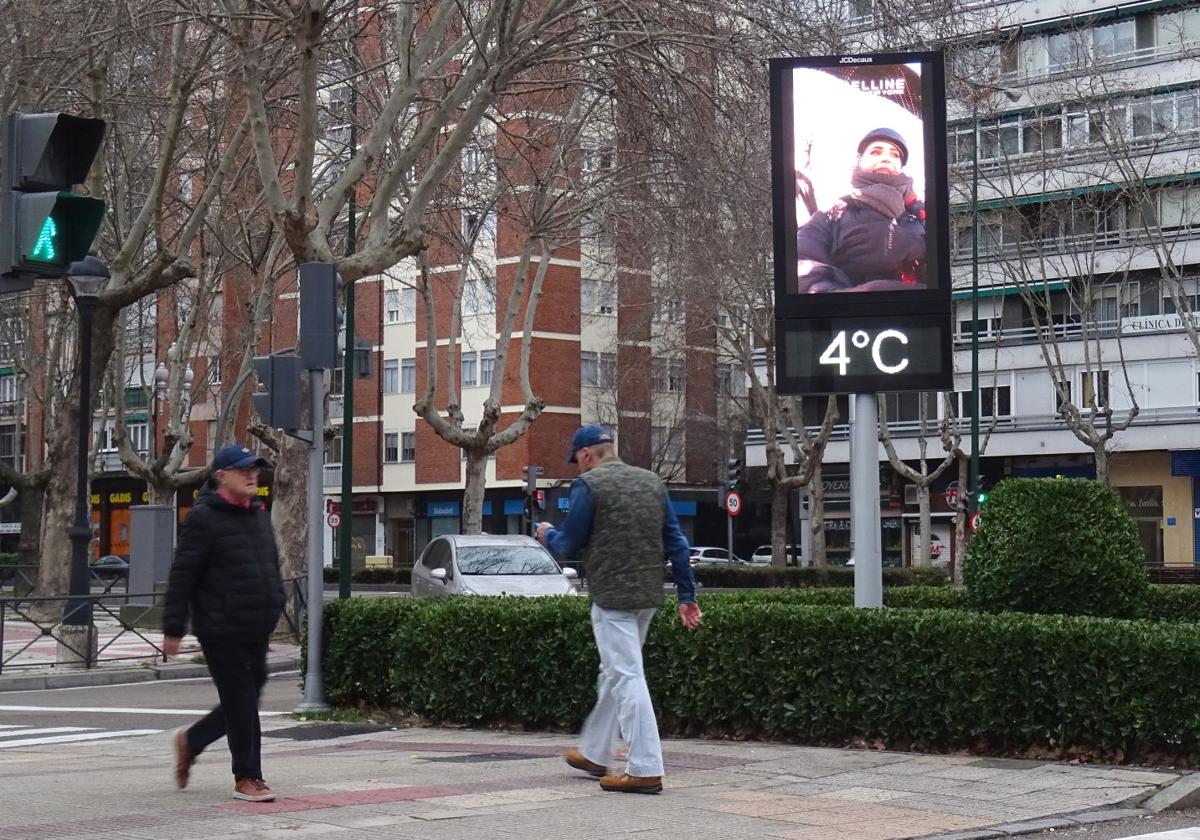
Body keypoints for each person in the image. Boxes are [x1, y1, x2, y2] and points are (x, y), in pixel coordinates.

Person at [536, 424, 702, 795]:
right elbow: (676, 541)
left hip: (611, 599)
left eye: (577, 462)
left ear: (587, 455)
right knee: (614, 671)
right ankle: (595, 753)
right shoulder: (651, 482)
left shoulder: (589, 485)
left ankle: (645, 768)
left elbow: (568, 544)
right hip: (647, 597)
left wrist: (546, 532)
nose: (578, 469)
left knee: (627, 676)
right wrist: (687, 596)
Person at [163, 443, 285, 803]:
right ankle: (248, 777)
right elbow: (182, 575)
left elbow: (270, 566)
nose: (252, 475)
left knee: (245, 699)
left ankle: (191, 740)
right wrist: (173, 628)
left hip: (256, 625)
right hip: (221, 626)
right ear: (221, 477)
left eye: (255, 469)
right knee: (242, 700)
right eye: (244, 469)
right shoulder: (203, 518)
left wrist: (276, 602)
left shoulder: (259, 512)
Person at [793, 127, 927, 293]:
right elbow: (802, 271)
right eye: (876, 152)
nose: (886, 159)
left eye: (895, 154)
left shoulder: (922, 216)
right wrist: (857, 297)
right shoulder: (830, 217)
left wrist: (913, 246)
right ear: (859, 160)